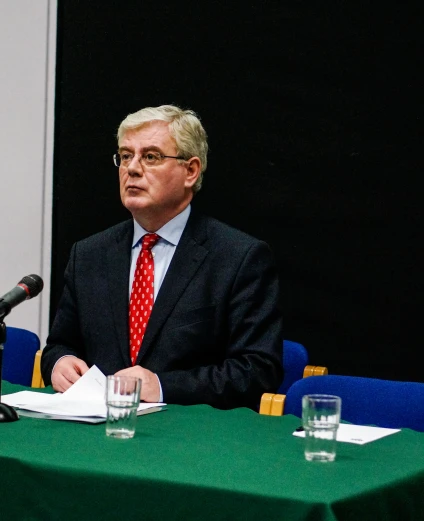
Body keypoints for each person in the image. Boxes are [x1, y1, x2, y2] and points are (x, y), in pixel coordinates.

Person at [42, 105, 283, 410]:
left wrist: (162, 385)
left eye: (151, 156)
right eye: (125, 156)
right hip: (96, 433)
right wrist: (60, 363)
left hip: (189, 440)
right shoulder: (89, 254)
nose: (132, 168)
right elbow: (60, 344)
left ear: (191, 171)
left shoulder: (238, 257)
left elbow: (258, 371)